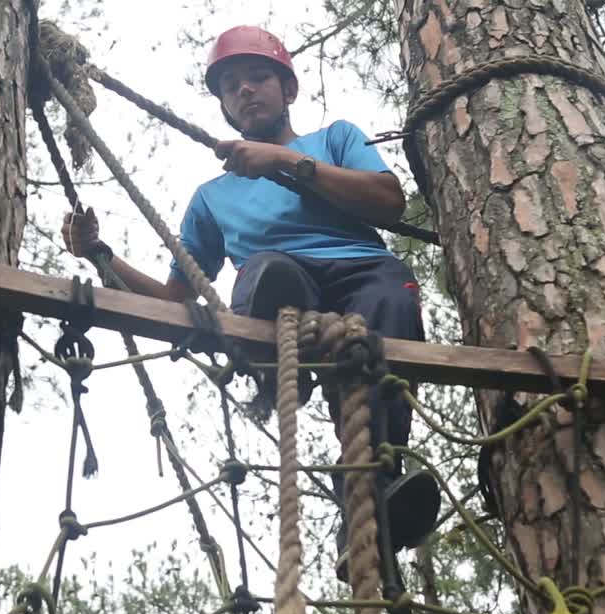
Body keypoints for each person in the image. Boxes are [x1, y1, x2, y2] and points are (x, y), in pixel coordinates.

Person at [61, 25, 439, 577]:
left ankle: (369, 496)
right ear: (225, 109)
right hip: (281, 282)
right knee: (269, 273)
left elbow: (387, 200)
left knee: (391, 302)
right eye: (231, 86)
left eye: (258, 77)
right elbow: (173, 300)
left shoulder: (333, 138)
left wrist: (285, 164)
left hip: (362, 270)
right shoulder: (212, 199)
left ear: (288, 89)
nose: (245, 91)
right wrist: (100, 255)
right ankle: (270, 339)